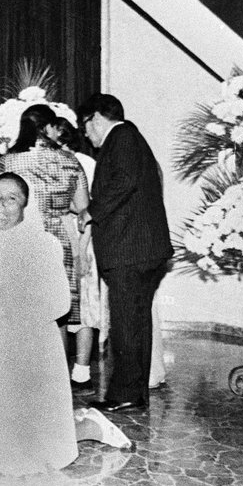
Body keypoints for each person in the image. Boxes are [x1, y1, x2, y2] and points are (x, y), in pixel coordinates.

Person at [0, 173, 131, 477]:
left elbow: (59, 303)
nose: (0, 205)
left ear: (25, 207)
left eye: (12, 198)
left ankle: (91, 426)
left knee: (34, 447)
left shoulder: (44, 244)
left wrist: (2, 308)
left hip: (32, 352)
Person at [77, 94, 172, 413]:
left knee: (127, 325)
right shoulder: (127, 138)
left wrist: (91, 211)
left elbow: (125, 181)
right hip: (139, 251)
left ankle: (126, 394)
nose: (86, 135)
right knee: (135, 324)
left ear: (96, 118)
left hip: (131, 252)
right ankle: (134, 391)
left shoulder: (123, 136)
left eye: (85, 126)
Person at [0, 104, 89, 336]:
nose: (58, 132)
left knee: (17, 309)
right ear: (46, 128)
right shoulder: (71, 161)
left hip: (19, 240)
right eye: (55, 127)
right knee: (58, 315)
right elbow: (84, 209)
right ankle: (57, 372)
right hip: (59, 242)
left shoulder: (8, 163)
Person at [56, 118, 103, 391]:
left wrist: (82, 250)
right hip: (58, 238)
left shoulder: (86, 164)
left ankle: (82, 370)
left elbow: (90, 211)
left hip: (82, 238)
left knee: (84, 307)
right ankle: (60, 368)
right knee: (61, 305)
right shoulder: (50, 163)